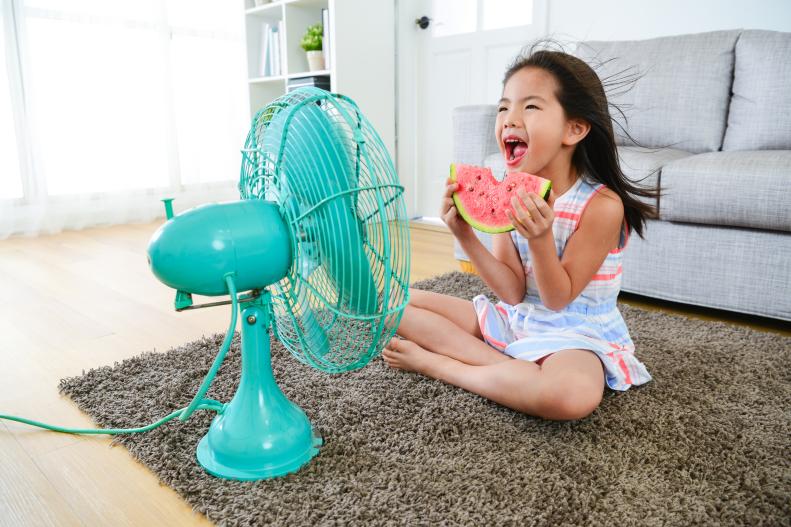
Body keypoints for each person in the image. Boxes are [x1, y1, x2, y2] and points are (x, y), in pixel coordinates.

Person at [382, 44, 659, 421]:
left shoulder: (601, 206)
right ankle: (508, 367)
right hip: (519, 318)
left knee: (569, 397)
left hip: (575, 334)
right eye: (503, 107)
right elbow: (512, 291)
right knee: (387, 304)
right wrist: (464, 234)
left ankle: (443, 366)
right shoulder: (512, 188)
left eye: (530, 107)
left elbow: (559, 299)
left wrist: (540, 239)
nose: (509, 119)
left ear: (574, 129)